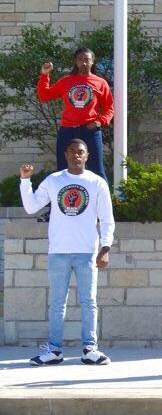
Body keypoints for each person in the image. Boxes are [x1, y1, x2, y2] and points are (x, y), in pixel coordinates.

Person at [19, 139, 114, 366]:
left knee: (89, 302)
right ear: (66, 155)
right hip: (58, 252)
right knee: (57, 303)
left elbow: (107, 218)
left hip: (87, 252)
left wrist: (105, 248)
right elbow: (31, 207)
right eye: (72, 151)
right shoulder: (54, 180)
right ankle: (54, 351)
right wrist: (25, 180)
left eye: (80, 152)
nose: (76, 155)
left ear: (87, 155)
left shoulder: (97, 182)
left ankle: (90, 349)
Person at [36, 48, 114, 180]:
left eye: (87, 60)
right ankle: (63, 194)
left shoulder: (100, 83)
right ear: (76, 62)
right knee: (63, 170)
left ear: (92, 61)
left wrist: (99, 122)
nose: (84, 63)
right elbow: (44, 96)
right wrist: (45, 75)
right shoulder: (66, 81)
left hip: (90, 131)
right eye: (80, 60)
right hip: (67, 130)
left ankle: (102, 194)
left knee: (97, 170)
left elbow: (109, 108)